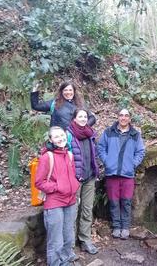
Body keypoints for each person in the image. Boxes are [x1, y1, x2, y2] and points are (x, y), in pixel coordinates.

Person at [97, 109, 145, 240]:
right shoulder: (108, 132)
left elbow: (140, 151)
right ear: (117, 117)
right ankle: (116, 227)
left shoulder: (135, 134)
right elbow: (100, 147)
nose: (123, 118)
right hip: (112, 174)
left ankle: (125, 227)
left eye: (126, 115)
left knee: (126, 202)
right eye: (121, 115)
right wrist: (107, 161)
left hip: (127, 174)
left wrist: (132, 164)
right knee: (113, 202)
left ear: (130, 118)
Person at [35, 126, 79, 266]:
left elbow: (72, 175)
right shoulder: (47, 157)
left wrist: (74, 185)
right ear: (51, 140)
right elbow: (39, 182)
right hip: (54, 201)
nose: (60, 139)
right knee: (55, 239)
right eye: (56, 137)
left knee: (68, 235)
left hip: (70, 200)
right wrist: (57, 187)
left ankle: (65, 260)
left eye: (62, 135)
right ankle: (55, 263)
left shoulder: (69, 154)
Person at [67, 109, 99, 255]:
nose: (83, 118)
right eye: (80, 116)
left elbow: (94, 154)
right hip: (75, 179)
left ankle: (85, 239)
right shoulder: (68, 135)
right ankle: (70, 244)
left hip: (90, 177)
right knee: (73, 211)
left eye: (85, 116)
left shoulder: (90, 133)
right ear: (74, 118)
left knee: (87, 209)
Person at [30, 81, 96, 129]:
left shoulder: (80, 103)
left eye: (70, 90)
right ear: (62, 92)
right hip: (60, 137)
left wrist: (82, 127)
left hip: (78, 138)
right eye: (66, 90)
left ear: (74, 91)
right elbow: (36, 106)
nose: (68, 92)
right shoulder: (54, 103)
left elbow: (92, 118)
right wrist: (34, 90)